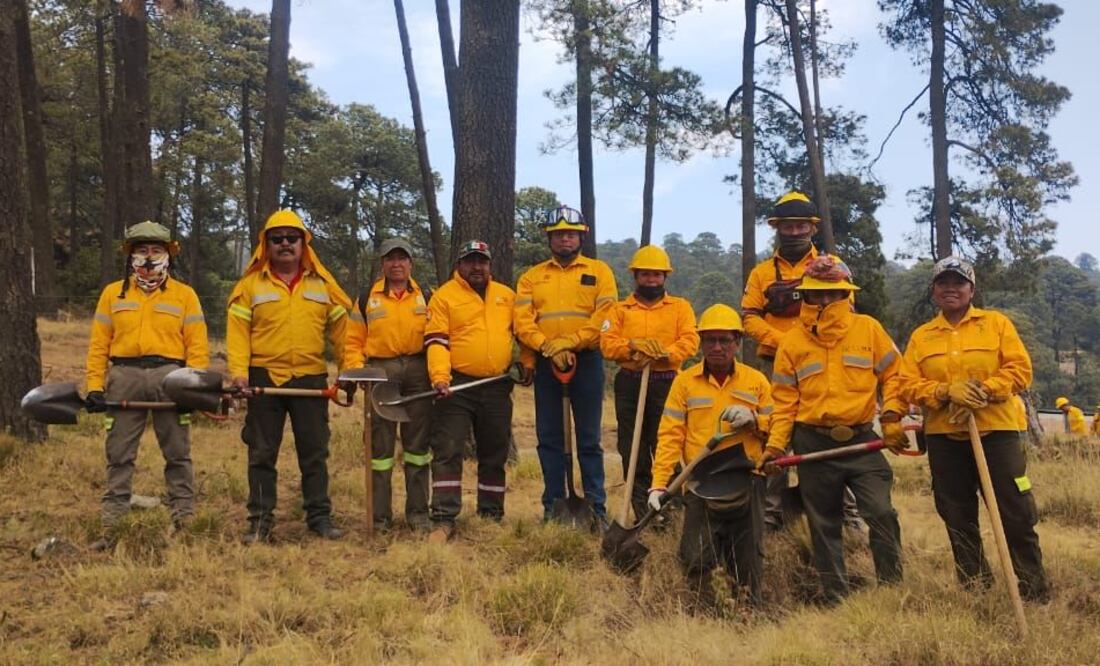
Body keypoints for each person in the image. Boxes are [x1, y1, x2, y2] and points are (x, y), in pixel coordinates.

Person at [899, 256, 1049, 602]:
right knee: (956, 514)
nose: (951, 289)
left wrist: (984, 389)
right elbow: (906, 383)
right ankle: (975, 588)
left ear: (971, 289)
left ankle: (1032, 588)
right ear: (934, 290)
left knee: (1015, 511)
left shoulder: (996, 324)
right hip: (944, 437)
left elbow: (1020, 370)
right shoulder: (922, 337)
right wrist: (943, 391)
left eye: (959, 282)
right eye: (943, 283)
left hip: (997, 433)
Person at [763, 256, 909, 604]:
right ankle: (835, 597)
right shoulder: (792, 343)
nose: (826, 300)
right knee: (823, 523)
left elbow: (896, 376)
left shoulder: (868, 329)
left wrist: (891, 418)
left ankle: (892, 588)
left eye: (833, 293)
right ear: (805, 296)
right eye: (818, 293)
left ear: (846, 294)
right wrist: (776, 446)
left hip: (862, 439)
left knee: (880, 512)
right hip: (813, 443)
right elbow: (784, 403)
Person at [227, 210, 351, 543]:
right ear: (266, 244)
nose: (285, 244)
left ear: (303, 244)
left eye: (292, 238)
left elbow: (344, 333)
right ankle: (259, 523)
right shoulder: (250, 286)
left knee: (315, 453)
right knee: (261, 454)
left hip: (311, 380)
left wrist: (349, 371)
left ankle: (319, 519)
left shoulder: (323, 286)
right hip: (263, 380)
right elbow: (237, 335)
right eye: (277, 238)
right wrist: (238, 375)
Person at [741, 190, 862, 531]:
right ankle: (771, 513)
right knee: (774, 433)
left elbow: (848, 310)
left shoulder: (831, 266)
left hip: (825, 364)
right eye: (787, 226)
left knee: (830, 431)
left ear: (813, 228)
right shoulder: (761, 273)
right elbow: (749, 316)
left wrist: (809, 343)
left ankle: (847, 513)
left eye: (800, 226)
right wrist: (784, 343)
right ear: (776, 228)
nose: (794, 232)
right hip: (775, 365)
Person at [84, 221, 209, 550]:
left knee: (178, 453)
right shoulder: (113, 294)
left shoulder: (185, 296)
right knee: (119, 454)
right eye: (142, 250)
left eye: (156, 250)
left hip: (172, 377)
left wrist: (193, 387)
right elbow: (98, 344)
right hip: (124, 376)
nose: (149, 257)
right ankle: (113, 526)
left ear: (168, 255)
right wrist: (95, 386)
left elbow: (197, 346)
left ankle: (185, 521)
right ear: (130, 255)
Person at [650, 304, 772, 606]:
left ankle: (748, 611)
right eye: (710, 340)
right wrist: (659, 484)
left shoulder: (756, 381)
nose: (717, 347)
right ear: (701, 343)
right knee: (695, 557)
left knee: (748, 559)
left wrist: (755, 421)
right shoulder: (684, 382)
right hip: (700, 481)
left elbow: (779, 429)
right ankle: (709, 610)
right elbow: (670, 436)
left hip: (747, 478)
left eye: (724, 340)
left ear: (737, 342)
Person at [514, 206, 618, 523]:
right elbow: (522, 321)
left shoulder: (600, 272)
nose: (564, 240)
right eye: (558, 234)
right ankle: (554, 507)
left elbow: (605, 319)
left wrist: (569, 343)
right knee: (549, 439)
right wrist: (547, 347)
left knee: (589, 439)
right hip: (548, 364)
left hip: (586, 362)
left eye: (570, 234)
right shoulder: (532, 277)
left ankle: (596, 509)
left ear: (581, 236)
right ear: (549, 238)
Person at [425, 241, 529, 543]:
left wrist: (527, 363)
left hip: (497, 385)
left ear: (490, 265)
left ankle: (491, 514)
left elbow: (523, 334)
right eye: (470, 261)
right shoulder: (444, 297)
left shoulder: (506, 296)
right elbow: (436, 342)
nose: (476, 267)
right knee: (448, 450)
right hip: (456, 386)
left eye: (482, 261)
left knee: (495, 451)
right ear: (460, 265)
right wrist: (440, 377)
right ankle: (443, 517)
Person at [601, 244, 699, 521]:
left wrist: (665, 354)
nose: (651, 280)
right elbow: (607, 344)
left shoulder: (680, 307)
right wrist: (632, 348)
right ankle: (642, 512)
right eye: (645, 274)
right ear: (636, 276)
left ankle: (672, 509)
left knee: (667, 445)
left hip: (667, 384)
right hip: (630, 383)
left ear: (665, 276)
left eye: (657, 275)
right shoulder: (619, 310)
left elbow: (690, 340)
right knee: (632, 449)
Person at [344, 238, 432, 531]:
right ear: (382, 264)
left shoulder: (427, 296)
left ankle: (418, 515)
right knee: (380, 451)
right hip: (381, 372)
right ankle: (379, 518)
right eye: (390, 259)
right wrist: (357, 372)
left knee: (418, 448)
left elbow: (438, 336)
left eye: (402, 258)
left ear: (411, 263)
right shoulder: (366, 298)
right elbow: (353, 342)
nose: (396, 264)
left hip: (419, 373)